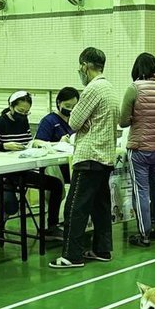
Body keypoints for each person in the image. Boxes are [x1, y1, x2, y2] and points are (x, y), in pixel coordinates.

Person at [49, 47, 119, 269]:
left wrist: (83, 122)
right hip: (106, 155)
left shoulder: (92, 89)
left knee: (75, 207)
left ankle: (72, 255)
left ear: (85, 66)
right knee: (100, 207)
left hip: (89, 155)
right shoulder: (109, 88)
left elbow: (74, 122)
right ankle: (102, 249)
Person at [0, 91, 65, 240]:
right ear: (11, 107)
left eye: (26, 112)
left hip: (21, 170)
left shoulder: (23, 121)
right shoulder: (0, 122)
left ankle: (51, 227)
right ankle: (2, 220)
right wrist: (4, 145)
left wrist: (36, 146)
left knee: (56, 185)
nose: (23, 115)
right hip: (3, 173)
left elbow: (27, 142)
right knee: (11, 205)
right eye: (20, 111)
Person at [119, 52, 155, 247]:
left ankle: (144, 234)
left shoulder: (134, 89)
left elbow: (123, 121)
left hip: (139, 149)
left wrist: (136, 118)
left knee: (140, 191)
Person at [35, 86, 80, 183]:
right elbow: (37, 143)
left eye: (74, 107)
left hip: (72, 164)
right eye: (67, 106)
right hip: (55, 168)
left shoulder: (74, 121)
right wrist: (58, 144)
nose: (71, 110)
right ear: (59, 103)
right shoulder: (49, 120)